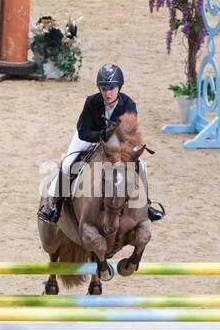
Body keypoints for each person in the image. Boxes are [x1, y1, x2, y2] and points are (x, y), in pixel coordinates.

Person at [38, 63, 165, 224]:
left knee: (140, 164)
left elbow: (130, 135)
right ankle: (54, 206)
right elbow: (83, 131)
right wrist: (101, 135)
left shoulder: (128, 105)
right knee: (67, 164)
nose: (108, 93)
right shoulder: (92, 102)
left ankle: (146, 205)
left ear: (119, 87)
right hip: (88, 138)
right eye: (104, 89)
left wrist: (115, 140)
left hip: (118, 144)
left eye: (111, 88)